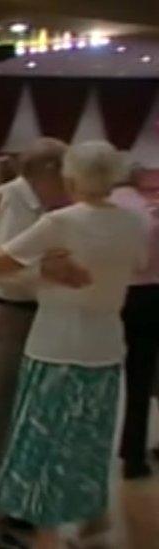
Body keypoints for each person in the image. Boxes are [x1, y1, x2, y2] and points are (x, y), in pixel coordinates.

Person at [0, 141, 146, 549]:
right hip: (106, 343)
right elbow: (138, 265)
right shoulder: (133, 222)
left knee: (46, 437)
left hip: (55, 343)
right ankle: (90, 520)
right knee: (93, 437)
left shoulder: (61, 222)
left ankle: (49, 521)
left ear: (71, 177)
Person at [0, 137, 100, 549]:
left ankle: (13, 507)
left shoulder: (45, 207)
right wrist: (48, 271)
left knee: (25, 418)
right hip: (5, 315)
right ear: (47, 170)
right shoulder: (11, 200)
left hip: (34, 318)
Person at [111, 162, 159, 479]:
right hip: (153, 292)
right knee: (149, 373)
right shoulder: (151, 210)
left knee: (133, 376)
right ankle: (135, 454)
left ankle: (131, 451)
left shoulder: (111, 203)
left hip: (116, 293)